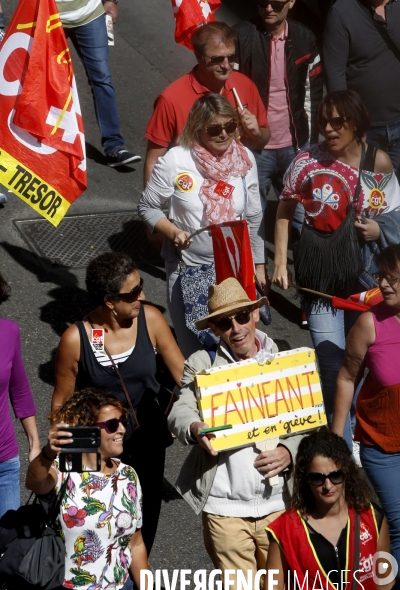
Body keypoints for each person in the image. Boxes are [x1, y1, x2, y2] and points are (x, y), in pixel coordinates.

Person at [272, 90, 400, 446]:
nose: (328, 129)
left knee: (363, 364)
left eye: (336, 122)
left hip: (366, 278)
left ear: (356, 123)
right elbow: (283, 212)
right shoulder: (304, 162)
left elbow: (395, 218)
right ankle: (341, 445)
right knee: (332, 367)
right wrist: (281, 261)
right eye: (323, 121)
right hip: (320, 279)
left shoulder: (378, 162)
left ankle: (362, 436)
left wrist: (380, 229)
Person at [168, 278, 304, 590]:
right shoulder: (202, 365)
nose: (236, 328)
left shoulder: (286, 359)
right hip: (224, 509)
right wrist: (195, 428)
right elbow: (180, 411)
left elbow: (310, 425)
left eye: (242, 316)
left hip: (278, 506)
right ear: (215, 329)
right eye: (224, 323)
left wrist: (289, 450)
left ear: (255, 315)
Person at [51, 251, 184, 554]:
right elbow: (61, 408)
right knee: (100, 529)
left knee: (143, 524)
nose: (143, 296)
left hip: (147, 439)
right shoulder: (75, 340)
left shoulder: (150, 319)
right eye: (134, 292)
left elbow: (185, 376)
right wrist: (64, 466)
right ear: (109, 301)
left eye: (141, 286)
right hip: (98, 448)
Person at [139, 93, 267, 358]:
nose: (223, 134)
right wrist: (172, 232)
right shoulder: (176, 160)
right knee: (197, 352)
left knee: (240, 347)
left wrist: (259, 264)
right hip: (188, 268)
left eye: (230, 126)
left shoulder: (244, 160)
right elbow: (147, 207)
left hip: (234, 269)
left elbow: (253, 218)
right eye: (214, 129)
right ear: (197, 129)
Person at [26, 388, 155, 590]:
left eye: (123, 421)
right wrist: (48, 452)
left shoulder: (128, 475)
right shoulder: (63, 470)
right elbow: (34, 482)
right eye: (113, 425)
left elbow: (136, 543)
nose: (122, 429)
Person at [332, 243, 400, 590]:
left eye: (392, 279)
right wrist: (334, 438)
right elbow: (346, 377)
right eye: (381, 277)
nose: (384, 285)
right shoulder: (369, 324)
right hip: (382, 445)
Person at [266, 429, 394, 590]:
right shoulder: (284, 529)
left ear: (346, 473)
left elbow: (385, 582)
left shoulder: (373, 516)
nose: (327, 485)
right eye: (317, 478)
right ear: (305, 480)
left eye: (335, 475)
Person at [234, 0, 323, 238]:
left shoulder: (305, 38)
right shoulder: (241, 35)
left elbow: (312, 96)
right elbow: (227, 93)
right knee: (252, 220)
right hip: (254, 148)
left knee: (304, 220)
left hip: (295, 146)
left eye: (276, 2)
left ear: (292, 2)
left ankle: (305, 271)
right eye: (262, 2)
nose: (268, 8)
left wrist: (311, 145)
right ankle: (255, 270)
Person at [143, 22, 270, 185]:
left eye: (231, 57)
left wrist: (257, 133)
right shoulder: (171, 99)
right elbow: (154, 161)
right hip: (190, 191)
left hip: (235, 186)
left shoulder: (245, 86)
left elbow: (263, 139)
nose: (226, 66)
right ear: (198, 57)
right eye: (217, 59)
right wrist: (151, 207)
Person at [56, 0, 141, 168]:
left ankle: (114, 147)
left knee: (102, 78)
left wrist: (110, 1)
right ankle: (30, 136)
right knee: (42, 75)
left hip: (90, 15)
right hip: (50, 17)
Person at [324, 0, 400, 182]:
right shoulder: (342, 12)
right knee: (369, 194)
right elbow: (335, 73)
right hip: (367, 129)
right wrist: (349, 125)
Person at [0, 271, 40, 518]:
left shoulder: (8, 332)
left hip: (4, 463)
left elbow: (20, 389)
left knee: (8, 549)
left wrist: (34, 444)